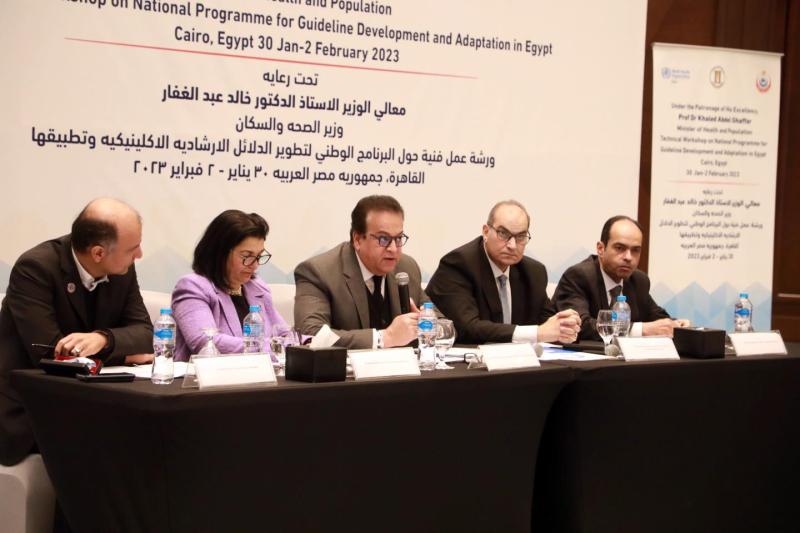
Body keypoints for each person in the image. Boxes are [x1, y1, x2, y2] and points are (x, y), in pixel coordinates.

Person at [0, 198, 153, 466]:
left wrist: (104, 339)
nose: (139, 254)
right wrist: (124, 355)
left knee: (150, 435)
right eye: (133, 248)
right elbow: (50, 354)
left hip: (91, 400)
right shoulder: (36, 268)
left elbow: (144, 333)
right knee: (106, 446)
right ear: (98, 253)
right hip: (30, 407)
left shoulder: (122, 269)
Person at [426, 200, 581, 345]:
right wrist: (537, 333)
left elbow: (546, 323)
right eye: (503, 234)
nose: (512, 245)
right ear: (486, 232)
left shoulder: (533, 272)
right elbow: (468, 328)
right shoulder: (458, 264)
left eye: (520, 236)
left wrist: (565, 326)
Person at [294, 195, 429, 349]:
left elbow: (441, 322)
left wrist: (426, 324)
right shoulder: (319, 272)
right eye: (383, 239)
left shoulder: (406, 268)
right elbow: (310, 334)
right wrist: (385, 338)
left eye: (398, 238)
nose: (393, 249)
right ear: (358, 239)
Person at [171, 210, 288, 361]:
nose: (255, 265)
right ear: (220, 253)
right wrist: (272, 347)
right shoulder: (193, 286)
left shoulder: (257, 288)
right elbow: (205, 342)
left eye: (259, 256)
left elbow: (284, 334)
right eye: (247, 256)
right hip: (208, 374)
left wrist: (308, 343)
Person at [553, 215, 691, 340]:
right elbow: (580, 326)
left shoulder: (638, 280)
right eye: (620, 248)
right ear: (601, 249)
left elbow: (656, 316)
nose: (628, 257)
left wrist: (676, 325)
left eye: (635, 250)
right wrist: (640, 330)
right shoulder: (579, 276)